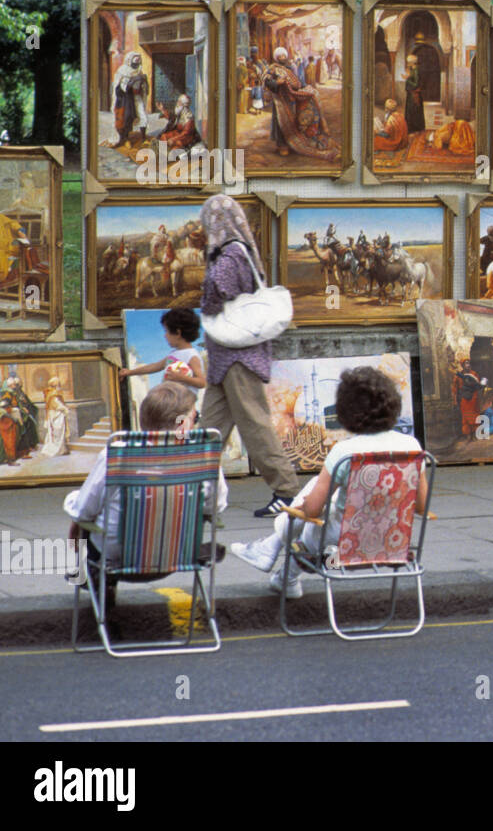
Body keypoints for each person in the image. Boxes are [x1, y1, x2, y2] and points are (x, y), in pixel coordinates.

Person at [230, 367, 425, 599]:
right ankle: (279, 569)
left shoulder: (345, 452)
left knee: (313, 507)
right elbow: (421, 506)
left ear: (346, 412)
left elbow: (312, 510)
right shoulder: (412, 446)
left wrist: (297, 509)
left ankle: (273, 550)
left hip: (338, 548)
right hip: (393, 545)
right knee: (324, 495)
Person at [64, 382, 227, 594]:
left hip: (117, 558)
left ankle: (83, 573)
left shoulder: (117, 455)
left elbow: (84, 510)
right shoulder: (204, 457)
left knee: (80, 512)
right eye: (196, 418)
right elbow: (216, 507)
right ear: (184, 425)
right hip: (179, 556)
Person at [197, 193, 301, 517]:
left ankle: (287, 492)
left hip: (237, 359)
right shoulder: (242, 250)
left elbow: (218, 287)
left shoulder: (230, 254)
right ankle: (194, 492)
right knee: (210, 428)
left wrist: (208, 304)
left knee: (255, 425)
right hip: (225, 359)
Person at [263, 46, 338, 161]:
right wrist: (277, 82)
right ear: (277, 58)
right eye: (280, 56)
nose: (282, 58)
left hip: (290, 100)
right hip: (279, 102)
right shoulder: (272, 69)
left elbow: (296, 81)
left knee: (293, 121)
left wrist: (305, 87)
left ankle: (291, 143)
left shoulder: (289, 67)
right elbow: (267, 81)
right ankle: (282, 145)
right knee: (279, 123)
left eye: (284, 56)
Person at [119, 307, 206, 393]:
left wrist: (182, 378)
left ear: (178, 333)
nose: (165, 335)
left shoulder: (192, 356)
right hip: (170, 403)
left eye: (167, 331)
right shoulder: (174, 355)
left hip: (184, 404)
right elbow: (154, 367)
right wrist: (130, 372)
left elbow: (202, 382)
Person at [111, 52, 149, 146]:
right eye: (135, 61)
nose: (136, 64)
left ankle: (143, 138)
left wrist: (144, 83)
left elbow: (143, 86)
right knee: (127, 117)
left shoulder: (139, 71)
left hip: (137, 97)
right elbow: (119, 86)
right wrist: (133, 80)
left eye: (138, 62)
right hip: (126, 98)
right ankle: (126, 139)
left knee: (142, 115)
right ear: (129, 61)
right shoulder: (122, 70)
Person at [454, 359, 488, 438]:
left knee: (474, 415)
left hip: (473, 398)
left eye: (468, 363)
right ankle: (468, 434)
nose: (468, 365)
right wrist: (455, 399)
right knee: (465, 416)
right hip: (464, 398)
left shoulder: (474, 374)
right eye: (466, 363)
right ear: (462, 365)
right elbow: (455, 388)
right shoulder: (459, 375)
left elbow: (478, 386)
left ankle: (475, 433)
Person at [37, 376, 69, 458]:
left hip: (53, 414)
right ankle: (58, 449)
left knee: (55, 433)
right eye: (58, 384)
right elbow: (57, 405)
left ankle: (61, 449)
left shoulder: (50, 393)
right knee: (57, 433)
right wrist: (65, 409)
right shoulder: (53, 394)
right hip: (56, 414)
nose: (59, 386)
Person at [403, 54, 426, 134]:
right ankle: (412, 128)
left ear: (412, 62)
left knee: (414, 111)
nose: (408, 64)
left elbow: (416, 84)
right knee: (411, 111)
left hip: (414, 95)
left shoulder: (416, 71)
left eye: (408, 62)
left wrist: (407, 79)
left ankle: (415, 129)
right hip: (411, 94)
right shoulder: (412, 70)